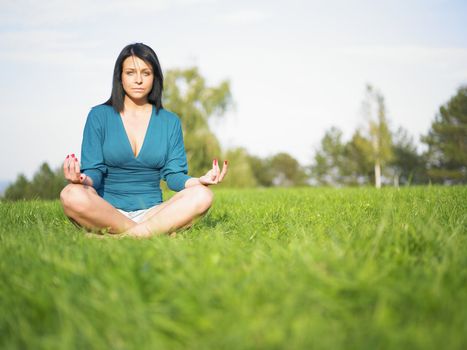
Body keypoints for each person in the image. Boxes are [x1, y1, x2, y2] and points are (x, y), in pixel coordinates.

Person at [60, 43, 228, 238]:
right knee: (71, 194)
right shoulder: (99, 116)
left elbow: (174, 176)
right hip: (106, 211)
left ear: (155, 77)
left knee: (203, 195)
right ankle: (150, 234)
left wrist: (199, 181)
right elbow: (94, 171)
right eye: (130, 72)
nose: (138, 80)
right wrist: (81, 179)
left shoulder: (169, 121)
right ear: (120, 77)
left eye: (146, 73)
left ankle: (121, 237)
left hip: (153, 213)